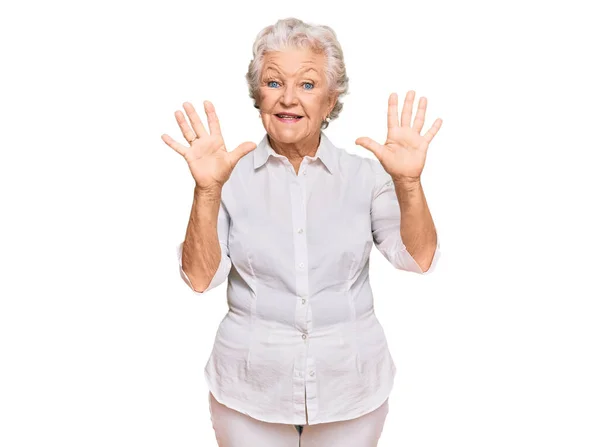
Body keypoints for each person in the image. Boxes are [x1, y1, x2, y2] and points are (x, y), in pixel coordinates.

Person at [161, 17, 442, 447]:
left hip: (351, 390)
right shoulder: (226, 178)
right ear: (258, 95)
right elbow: (201, 278)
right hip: (249, 392)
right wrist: (206, 191)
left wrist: (408, 184)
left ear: (331, 101)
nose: (289, 98)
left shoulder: (364, 176)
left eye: (308, 85)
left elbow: (417, 258)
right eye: (274, 83)